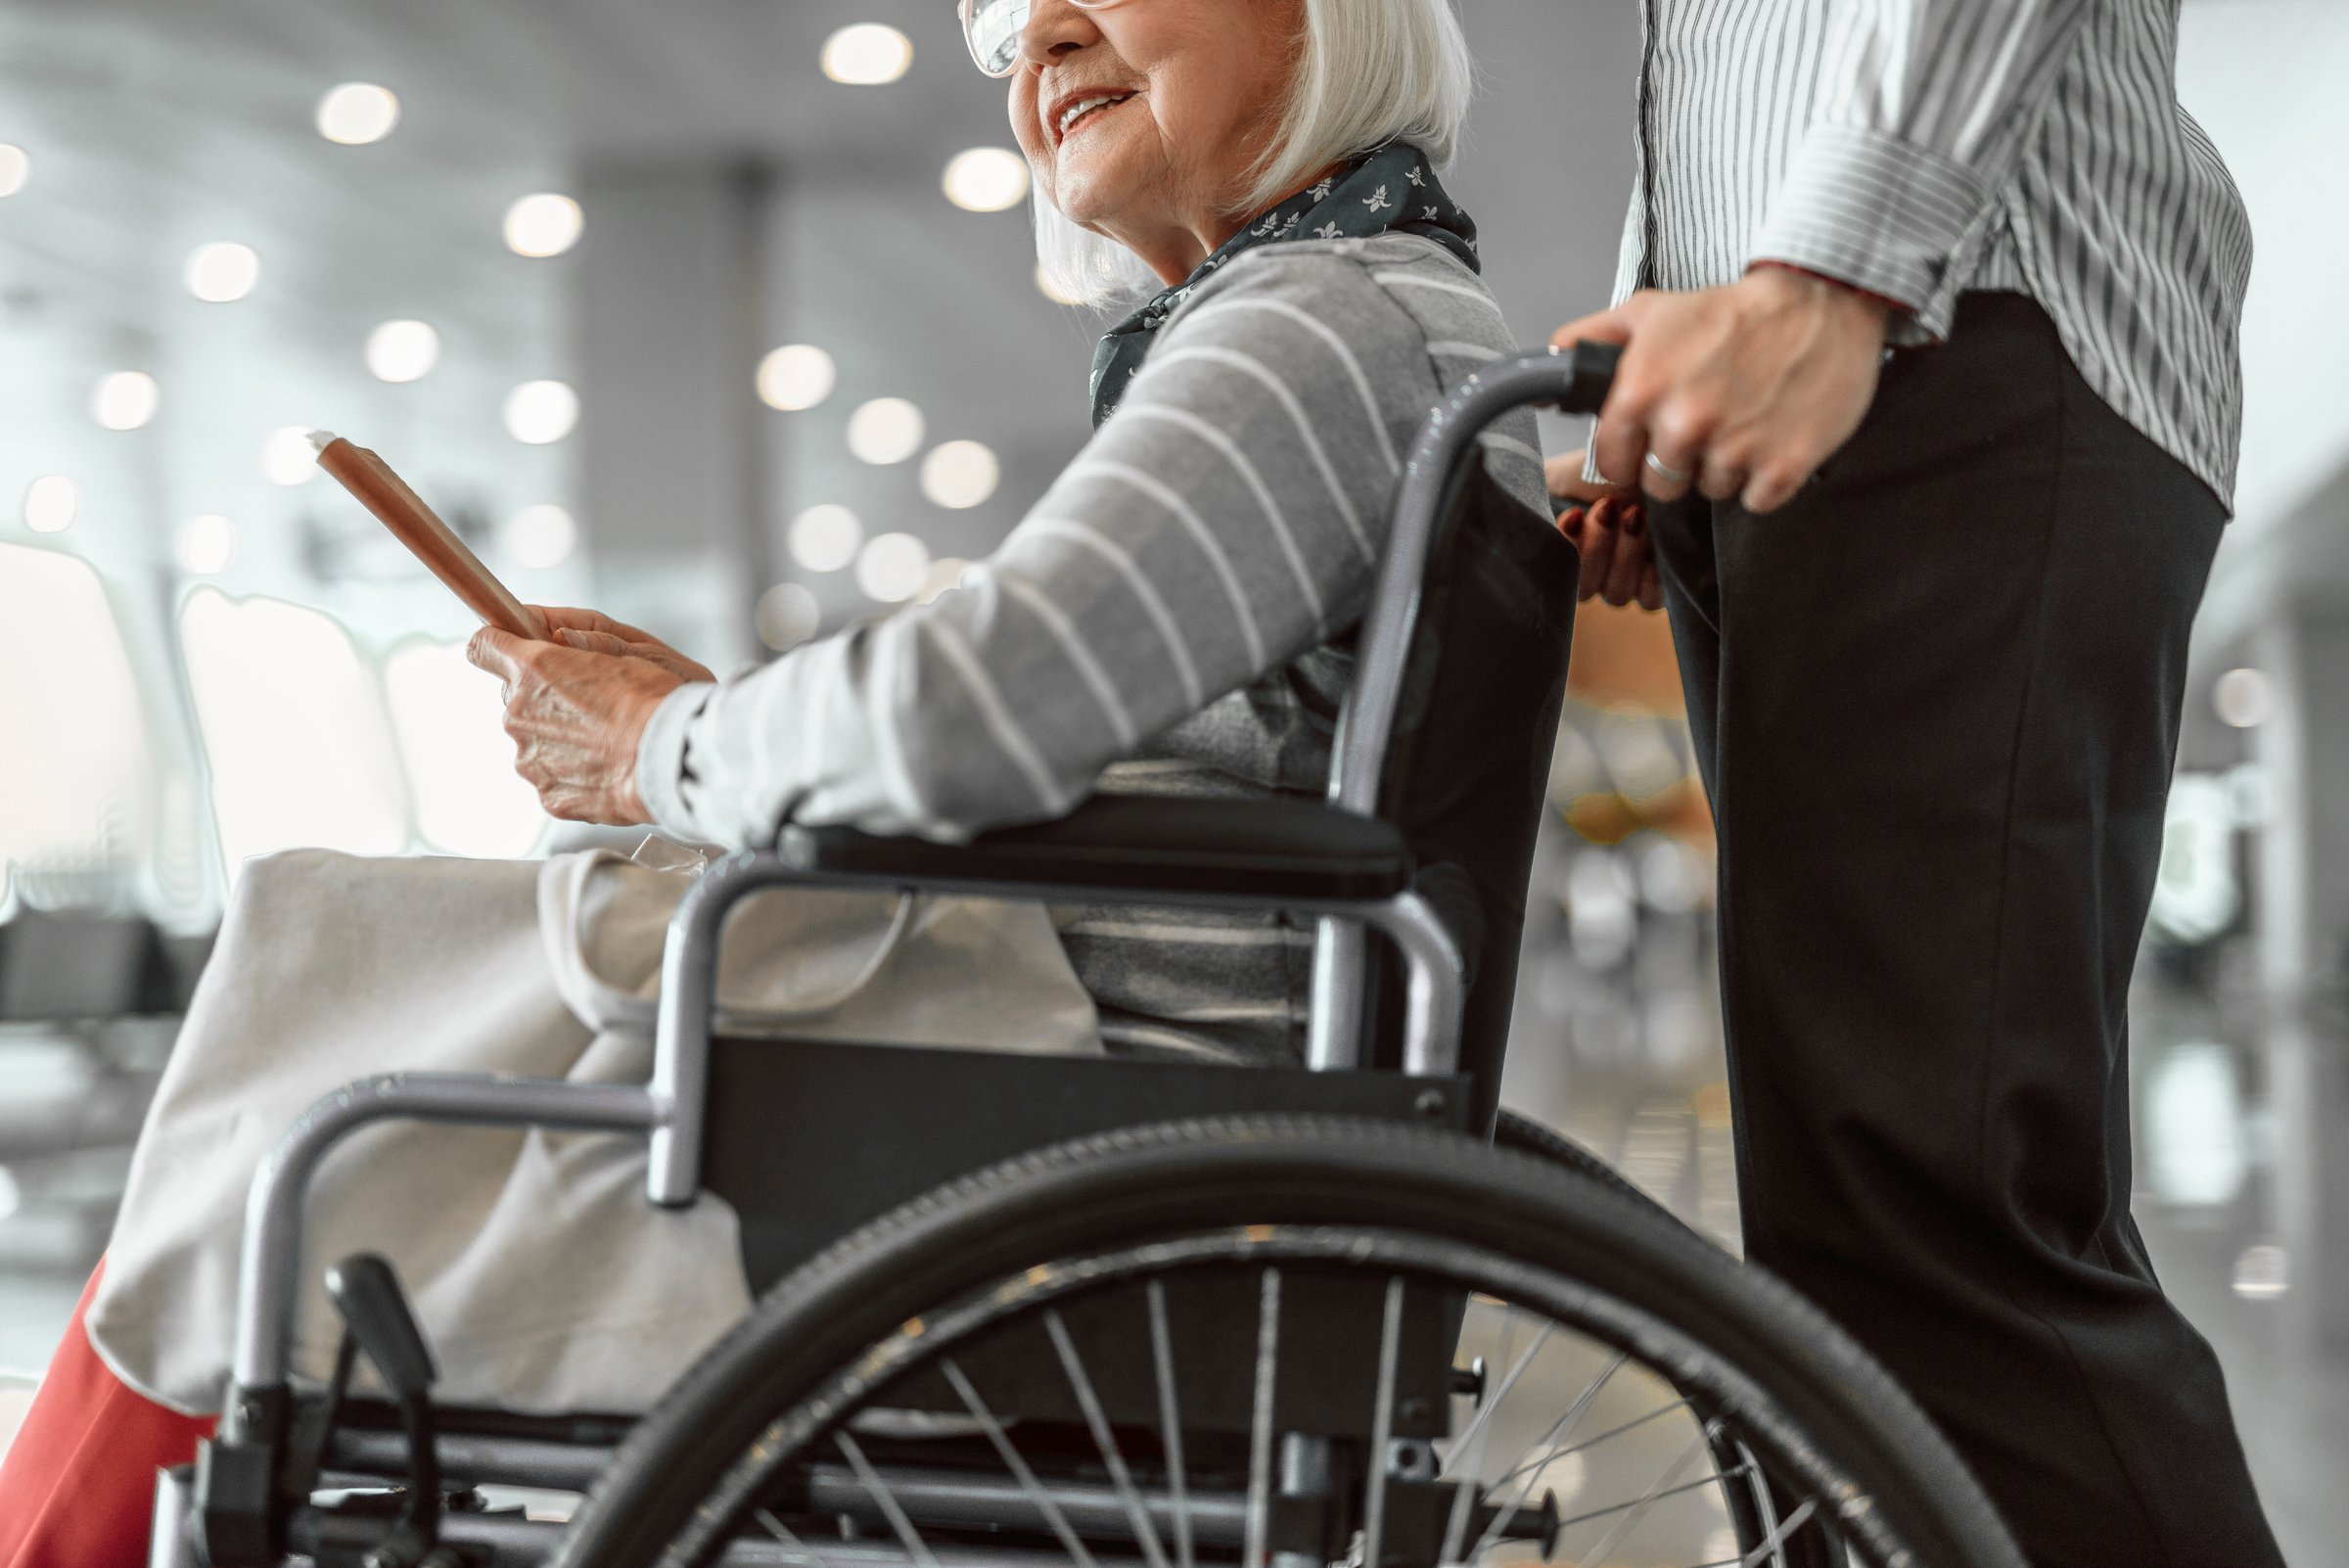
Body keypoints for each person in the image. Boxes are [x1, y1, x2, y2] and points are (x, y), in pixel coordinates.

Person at [0, 2, 1546, 1562]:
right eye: (1008, 26)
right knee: (278, 1135)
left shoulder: (1312, 321)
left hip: (1046, 1134)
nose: (1043, 39)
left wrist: (665, 743)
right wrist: (723, 727)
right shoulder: (1369, 312)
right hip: (1075, 1094)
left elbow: (970, 712)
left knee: (290, 1094)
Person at [1541, 3, 2283, 1565]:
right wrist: (1667, 341)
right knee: (1853, 1274)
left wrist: (1832, 269)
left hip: (1949, 312)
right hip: (1833, 342)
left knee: (1941, 1241)